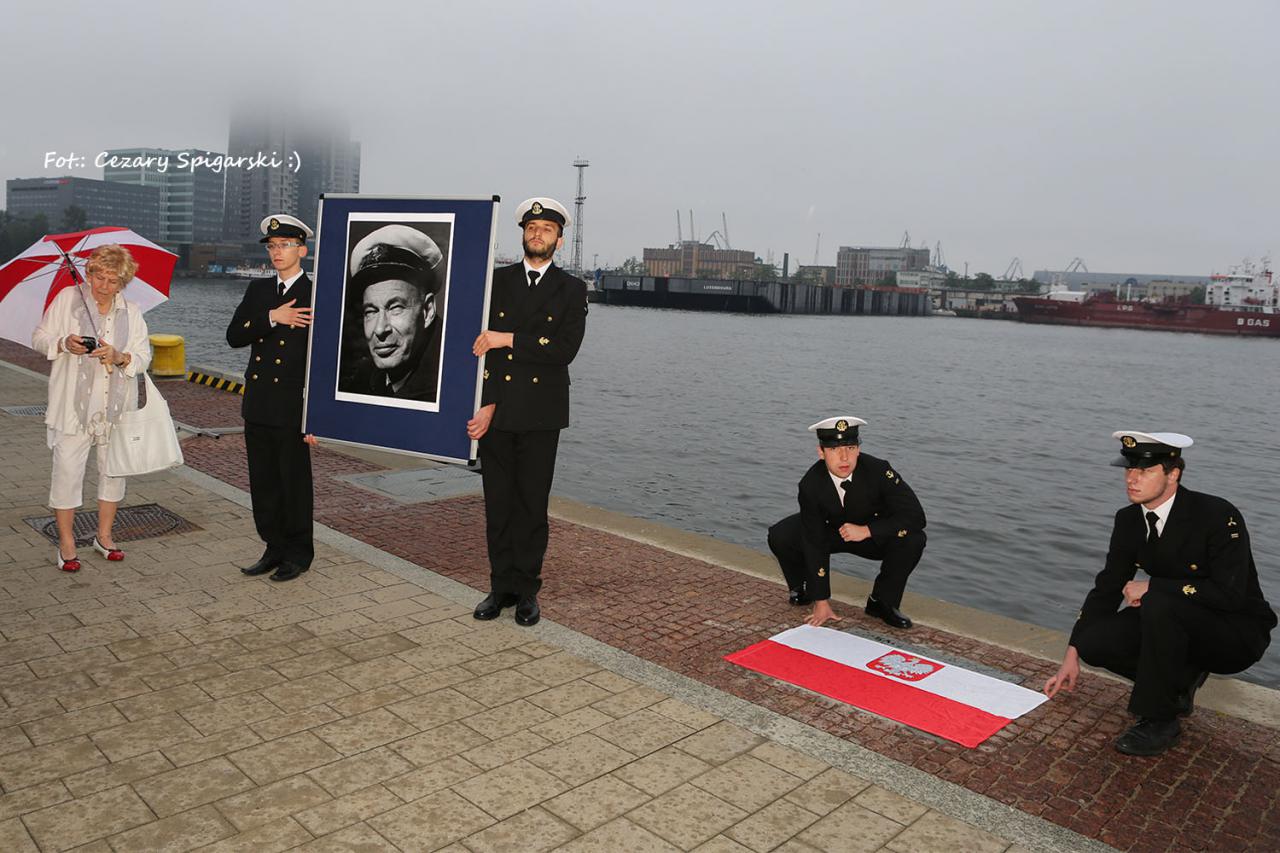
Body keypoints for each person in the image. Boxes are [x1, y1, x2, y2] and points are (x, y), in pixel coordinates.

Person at [1044, 431, 1276, 756]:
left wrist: (1153, 586)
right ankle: (1178, 683)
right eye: (1129, 470)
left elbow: (1231, 595)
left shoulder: (1216, 515)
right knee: (1095, 642)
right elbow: (1109, 584)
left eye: (1145, 471)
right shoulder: (1129, 520)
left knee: (1160, 601)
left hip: (1234, 631)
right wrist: (1072, 653)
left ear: (1173, 474)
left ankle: (1160, 719)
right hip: (1172, 621)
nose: (1132, 479)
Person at [467, 197, 588, 627]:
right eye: (532, 227)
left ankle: (527, 592)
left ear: (559, 238)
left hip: (541, 414)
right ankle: (499, 587)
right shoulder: (496, 282)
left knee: (531, 506)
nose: (538, 234)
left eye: (547, 229)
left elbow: (563, 351)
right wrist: (485, 405)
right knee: (497, 503)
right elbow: (479, 352)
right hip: (497, 412)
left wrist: (508, 339)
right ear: (523, 233)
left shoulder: (572, 289)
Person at [32, 244, 152, 572]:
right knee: (68, 471)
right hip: (72, 406)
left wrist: (120, 356)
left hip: (115, 408)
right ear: (89, 272)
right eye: (99, 276)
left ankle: (104, 535)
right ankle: (67, 542)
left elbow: (143, 356)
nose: (104, 286)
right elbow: (39, 337)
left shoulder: (132, 310)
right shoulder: (67, 300)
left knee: (112, 472)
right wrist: (63, 343)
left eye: (113, 281)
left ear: (123, 283)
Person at [767, 416, 927, 629]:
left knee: (913, 538)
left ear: (858, 450)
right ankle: (804, 587)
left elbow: (916, 516)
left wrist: (868, 530)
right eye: (834, 450)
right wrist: (821, 600)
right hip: (829, 531)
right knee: (781, 535)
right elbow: (814, 541)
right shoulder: (810, 485)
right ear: (821, 453)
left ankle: (882, 603)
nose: (844, 457)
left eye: (850, 447)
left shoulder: (879, 471)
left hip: (872, 535)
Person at [226, 214, 318, 583]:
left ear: (302, 250)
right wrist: (273, 317)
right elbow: (235, 336)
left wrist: (318, 416)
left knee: (293, 482)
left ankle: (298, 553)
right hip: (260, 401)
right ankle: (273, 546)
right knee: (263, 482)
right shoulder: (259, 293)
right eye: (272, 247)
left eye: (285, 246)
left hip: (294, 404)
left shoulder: (317, 293)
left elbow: (326, 359)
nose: (277, 252)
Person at [338, 224, 444, 402]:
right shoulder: (361, 380)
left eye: (395, 308)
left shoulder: (448, 382)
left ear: (428, 311)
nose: (380, 329)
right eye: (371, 311)